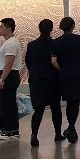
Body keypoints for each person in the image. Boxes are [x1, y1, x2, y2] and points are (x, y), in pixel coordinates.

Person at [23, 19, 63, 147]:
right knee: (55, 108)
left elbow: (28, 62)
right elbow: (58, 60)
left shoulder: (32, 45)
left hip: (36, 80)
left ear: (39, 29)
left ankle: (34, 135)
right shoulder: (55, 44)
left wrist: (35, 72)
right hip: (52, 79)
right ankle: (57, 134)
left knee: (38, 110)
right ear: (51, 29)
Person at [52, 17, 80, 142]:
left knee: (69, 100)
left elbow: (53, 61)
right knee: (76, 101)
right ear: (73, 26)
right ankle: (71, 127)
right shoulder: (79, 39)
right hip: (78, 73)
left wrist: (61, 69)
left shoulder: (57, 42)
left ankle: (71, 128)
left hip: (65, 74)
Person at [0, 18, 21, 141]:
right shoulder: (7, 42)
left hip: (9, 75)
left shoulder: (12, 43)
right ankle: (4, 128)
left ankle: (11, 130)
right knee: (0, 103)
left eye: (2, 27)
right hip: (6, 74)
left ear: (9, 28)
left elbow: (9, 63)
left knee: (8, 103)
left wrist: (2, 79)